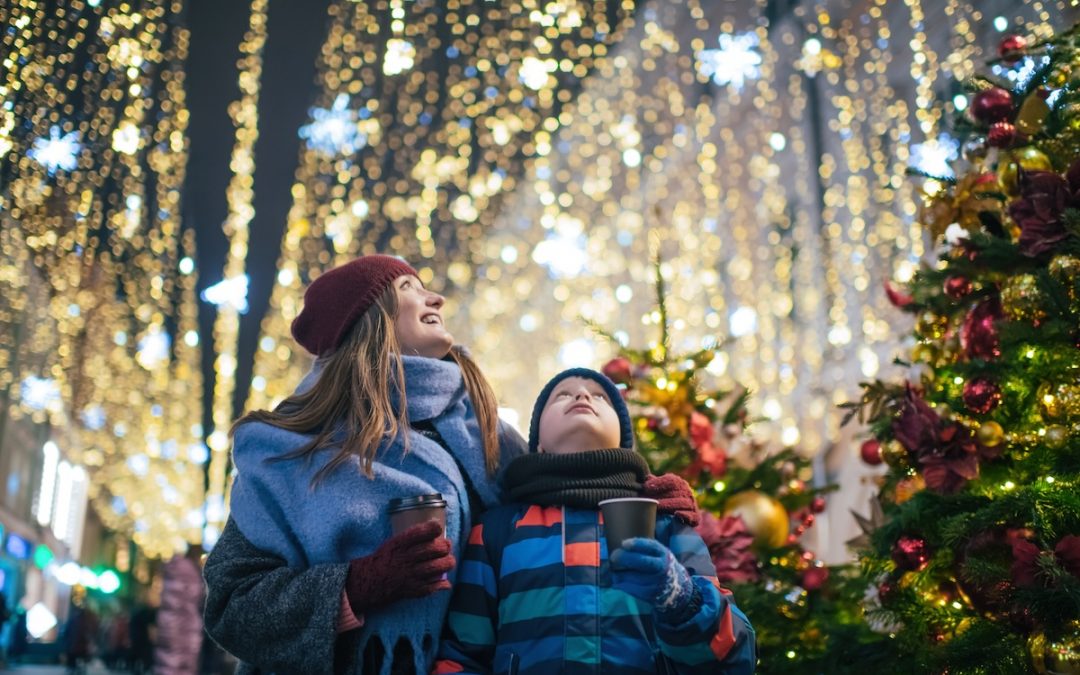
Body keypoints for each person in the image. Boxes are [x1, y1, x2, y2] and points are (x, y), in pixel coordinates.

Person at [203, 255, 700, 675]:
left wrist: (640, 492)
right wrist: (354, 586)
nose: (435, 299)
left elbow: (556, 497)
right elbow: (232, 606)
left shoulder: (486, 434)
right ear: (366, 318)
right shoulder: (293, 448)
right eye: (409, 288)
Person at [434, 368, 756, 674]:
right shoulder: (496, 530)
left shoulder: (665, 523)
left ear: (621, 439)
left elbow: (736, 657)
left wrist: (681, 599)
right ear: (539, 442)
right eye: (562, 395)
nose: (583, 396)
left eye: (601, 396)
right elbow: (463, 656)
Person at [154, 544, 205, 674]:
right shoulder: (189, 573)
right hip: (184, 623)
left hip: (169, 621)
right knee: (180, 660)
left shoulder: (173, 570)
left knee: (168, 656)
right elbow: (194, 596)